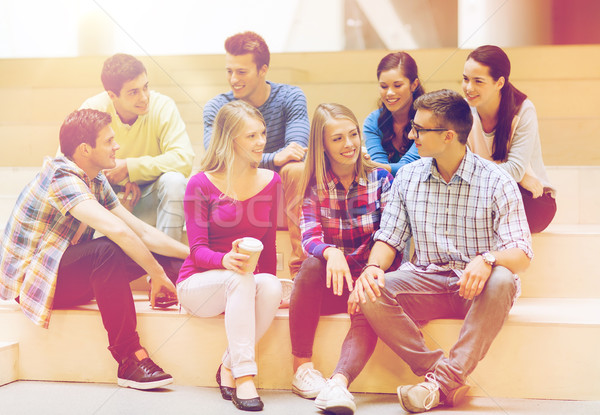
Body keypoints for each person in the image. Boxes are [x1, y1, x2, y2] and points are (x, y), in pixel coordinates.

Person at [352, 90, 533, 413]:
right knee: (370, 289)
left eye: (419, 130)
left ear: (448, 136)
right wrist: (373, 267)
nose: (411, 135)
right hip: (426, 280)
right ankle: (443, 378)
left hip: (477, 289)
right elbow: (389, 239)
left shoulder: (497, 181)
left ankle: (437, 383)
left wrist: (487, 259)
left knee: (503, 279)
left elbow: (521, 253)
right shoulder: (408, 177)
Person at [0, 109, 189, 390]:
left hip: (61, 271)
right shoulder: (60, 178)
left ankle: (201, 289)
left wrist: (204, 258)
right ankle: (129, 359)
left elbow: (143, 232)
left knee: (161, 255)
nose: (117, 147)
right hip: (35, 284)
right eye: (110, 141)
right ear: (85, 149)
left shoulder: (96, 178)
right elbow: (117, 231)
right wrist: (157, 274)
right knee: (107, 251)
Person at [289, 103, 401, 414]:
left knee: (378, 286)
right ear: (322, 145)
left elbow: (392, 236)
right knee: (311, 265)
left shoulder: (381, 179)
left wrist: (367, 274)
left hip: (372, 280)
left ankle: (339, 382)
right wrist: (331, 252)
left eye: (352, 134)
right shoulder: (314, 185)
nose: (349, 144)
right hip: (334, 283)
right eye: (337, 139)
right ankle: (301, 367)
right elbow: (309, 236)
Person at [177, 100, 283, 412]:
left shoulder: (271, 181)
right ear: (229, 140)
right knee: (240, 279)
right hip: (197, 285)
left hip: (241, 282)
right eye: (251, 136)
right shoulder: (199, 183)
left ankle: (228, 366)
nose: (261, 142)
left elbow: (269, 246)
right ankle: (246, 375)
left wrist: (269, 286)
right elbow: (196, 252)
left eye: (262, 133)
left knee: (273, 286)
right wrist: (224, 261)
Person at [203, 31, 310, 277]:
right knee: (205, 175)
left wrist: (263, 160)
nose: (233, 79)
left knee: (296, 169)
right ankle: (210, 264)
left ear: (263, 70)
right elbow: (218, 158)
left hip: (276, 183)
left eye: (241, 72)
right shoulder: (217, 107)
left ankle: (299, 271)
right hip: (233, 180)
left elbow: (296, 152)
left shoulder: (290, 98)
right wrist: (274, 158)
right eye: (229, 71)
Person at [80, 53, 195, 242]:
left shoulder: (163, 106)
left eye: (146, 87)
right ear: (112, 95)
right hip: (105, 202)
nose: (144, 97)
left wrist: (129, 168)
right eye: (133, 92)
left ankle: (168, 265)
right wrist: (114, 184)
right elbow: (68, 168)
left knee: (175, 182)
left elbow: (184, 160)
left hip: (148, 199)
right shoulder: (92, 109)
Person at [463, 45, 556, 233]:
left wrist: (517, 175)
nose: (469, 88)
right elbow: (461, 168)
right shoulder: (462, 112)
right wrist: (519, 176)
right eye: (466, 79)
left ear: (499, 83)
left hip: (530, 197)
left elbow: (514, 169)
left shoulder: (523, 109)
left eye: (478, 81)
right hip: (483, 194)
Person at [363, 51, 424, 176]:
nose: (389, 93)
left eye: (397, 85)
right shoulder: (372, 121)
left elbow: (410, 167)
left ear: (414, 85)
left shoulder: (429, 120)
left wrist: (366, 164)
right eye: (384, 86)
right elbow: (379, 172)